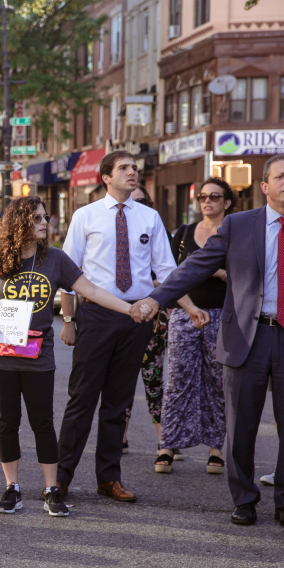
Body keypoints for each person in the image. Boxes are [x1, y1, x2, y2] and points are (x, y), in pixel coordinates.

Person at [133, 155, 284, 528]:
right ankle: (244, 499)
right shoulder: (239, 225)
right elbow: (194, 267)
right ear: (264, 186)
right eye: (281, 176)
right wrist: (155, 298)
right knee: (241, 424)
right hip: (247, 336)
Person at [0, 196, 135, 516]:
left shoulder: (55, 259)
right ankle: (12, 488)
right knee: (6, 421)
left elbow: (90, 291)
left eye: (45, 217)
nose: (44, 223)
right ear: (19, 222)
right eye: (37, 218)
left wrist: (130, 309)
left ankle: (52, 489)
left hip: (38, 354)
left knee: (42, 423)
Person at [57, 151, 177, 502]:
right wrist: (68, 320)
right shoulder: (86, 215)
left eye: (135, 168)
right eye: (125, 168)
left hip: (138, 316)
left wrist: (180, 304)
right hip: (95, 315)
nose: (133, 172)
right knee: (82, 398)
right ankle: (61, 477)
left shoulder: (150, 217)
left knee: (118, 402)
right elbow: (68, 273)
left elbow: (167, 272)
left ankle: (108, 478)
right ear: (106, 177)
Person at [156, 178, 232, 476]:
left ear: (227, 202)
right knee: (177, 379)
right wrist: (186, 307)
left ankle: (216, 448)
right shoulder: (185, 234)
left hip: (223, 315)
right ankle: (168, 445)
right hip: (184, 313)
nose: (207, 201)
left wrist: (219, 271)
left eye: (215, 196)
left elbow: (248, 275)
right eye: (203, 196)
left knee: (218, 381)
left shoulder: (235, 233)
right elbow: (168, 274)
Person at [120, 186, 169, 456]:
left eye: (138, 201)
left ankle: (164, 441)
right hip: (119, 314)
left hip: (152, 315)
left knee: (153, 379)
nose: (131, 205)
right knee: (121, 380)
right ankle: (120, 437)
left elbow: (169, 272)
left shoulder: (153, 226)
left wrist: (150, 284)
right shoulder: (110, 231)